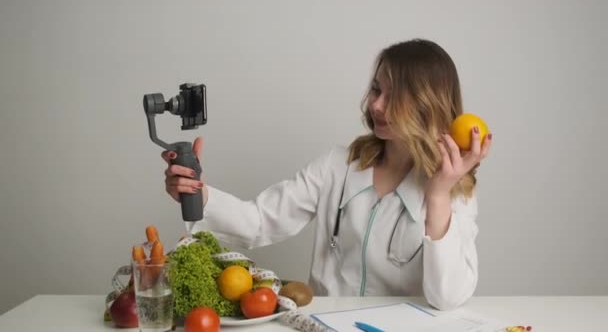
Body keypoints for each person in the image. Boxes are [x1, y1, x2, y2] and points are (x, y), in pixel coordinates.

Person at [161, 38, 492, 311]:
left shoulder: (455, 190)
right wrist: (198, 193)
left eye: (395, 97)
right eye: (377, 90)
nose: (376, 105)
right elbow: (259, 222)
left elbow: (447, 297)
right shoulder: (339, 166)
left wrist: (437, 196)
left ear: (426, 105)